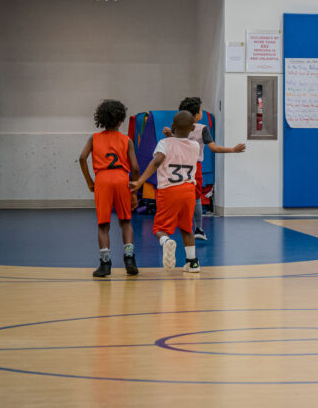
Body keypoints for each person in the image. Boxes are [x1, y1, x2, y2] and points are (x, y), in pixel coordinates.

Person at [163, 97, 245, 242]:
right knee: (194, 198)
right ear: (195, 115)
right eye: (200, 110)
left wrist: (170, 135)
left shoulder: (196, 128)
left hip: (181, 166)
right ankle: (194, 227)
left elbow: (176, 142)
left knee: (189, 197)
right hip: (191, 167)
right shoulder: (195, 128)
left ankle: (192, 228)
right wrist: (233, 149)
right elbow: (213, 148)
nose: (202, 112)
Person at [132, 111, 202, 272]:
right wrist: (173, 134)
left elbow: (157, 161)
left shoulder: (164, 143)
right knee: (186, 228)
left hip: (169, 191)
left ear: (172, 126)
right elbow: (181, 144)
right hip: (188, 191)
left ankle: (166, 242)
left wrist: (140, 181)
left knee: (159, 229)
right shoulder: (195, 146)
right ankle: (193, 263)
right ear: (192, 128)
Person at [78, 99, 140, 278]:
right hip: (122, 179)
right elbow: (135, 168)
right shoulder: (126, 140)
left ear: (102, 119)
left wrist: (90, 181)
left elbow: (82, 158)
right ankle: (129, 259)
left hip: (103, 180)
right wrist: (134, 192)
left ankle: (105, 264)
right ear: (121, 120)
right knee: (126, 222)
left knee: (103, 225)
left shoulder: (94, 138)